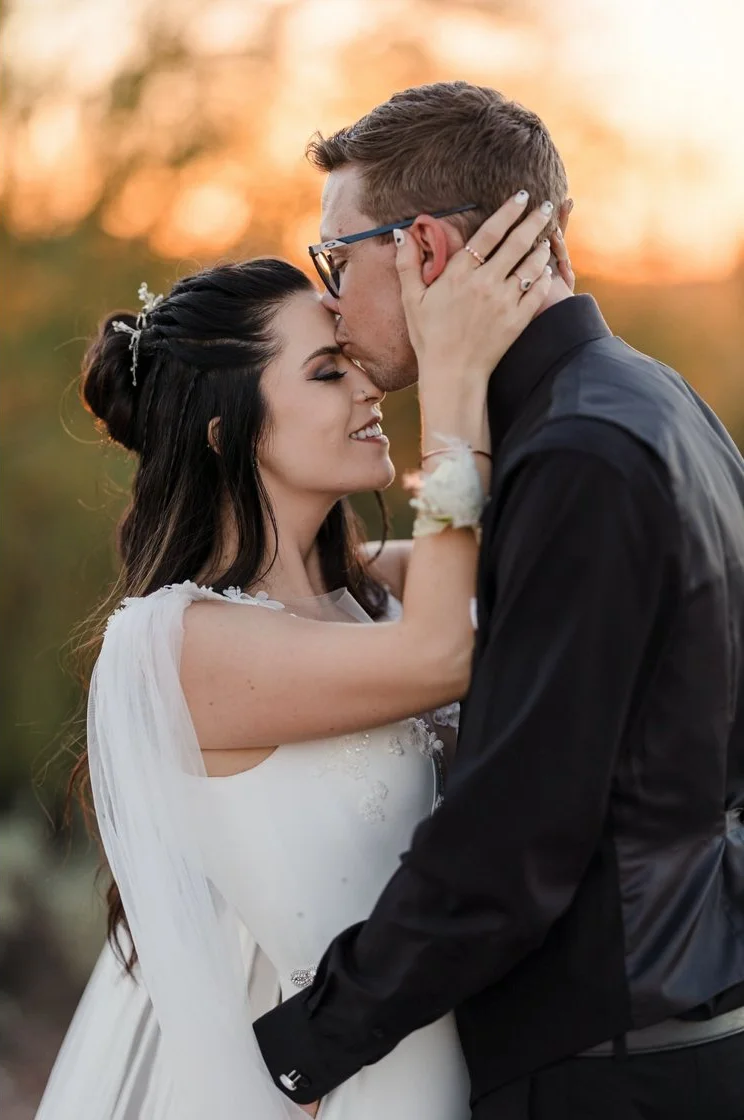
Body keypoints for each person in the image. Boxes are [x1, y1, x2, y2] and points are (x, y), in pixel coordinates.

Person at [253, 82, 744, 1120]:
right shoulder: (653, 402)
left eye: (337, 260)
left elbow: (516, 833)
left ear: (424, 248)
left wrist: (314, 1038)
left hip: (606, 1063)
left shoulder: (575, 459)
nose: (331, 299)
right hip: (670, 1012)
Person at [38, 190, 556, 1119]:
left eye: (356, 361)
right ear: (224, 426)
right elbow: (441, 656)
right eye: (327, 372)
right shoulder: (183, 643)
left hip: (475, 1056)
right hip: (369, 1082)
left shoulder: (371, 592)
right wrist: (453, 387)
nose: (369, 389)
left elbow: (530, 554)